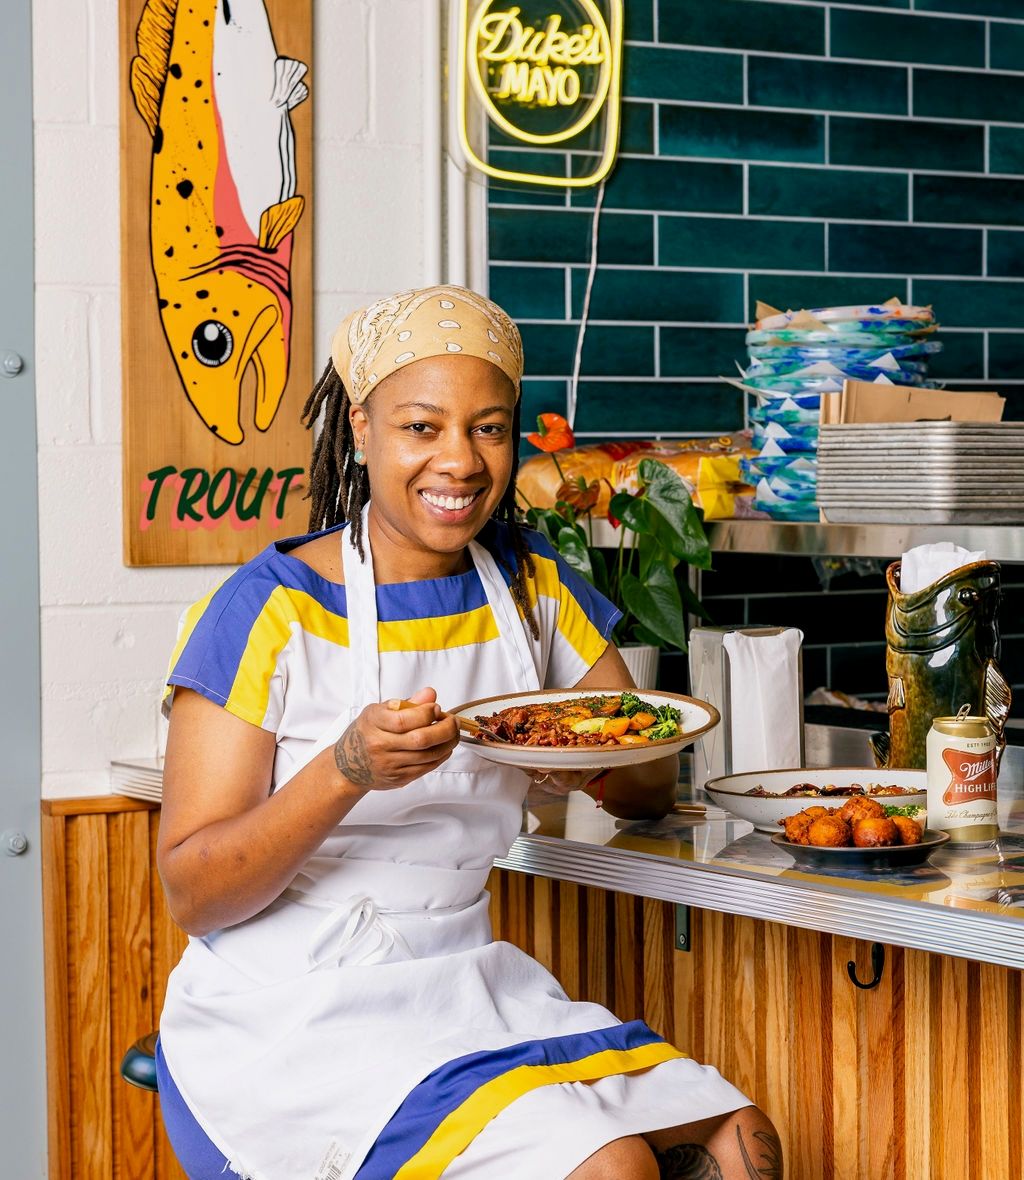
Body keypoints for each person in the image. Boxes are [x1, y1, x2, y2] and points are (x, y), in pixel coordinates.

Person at [155, 284, 782, 1180]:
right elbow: (194, 892)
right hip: (290, 1007)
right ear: (363, 429)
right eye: (422, 428)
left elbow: (644, 788)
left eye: (488, 428)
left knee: (741, 1141)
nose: (460, 460)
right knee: (612, 1169)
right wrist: (345, 769)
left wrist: (584, 759)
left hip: (463, 976)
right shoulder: (269, 609)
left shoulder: (534, 588)